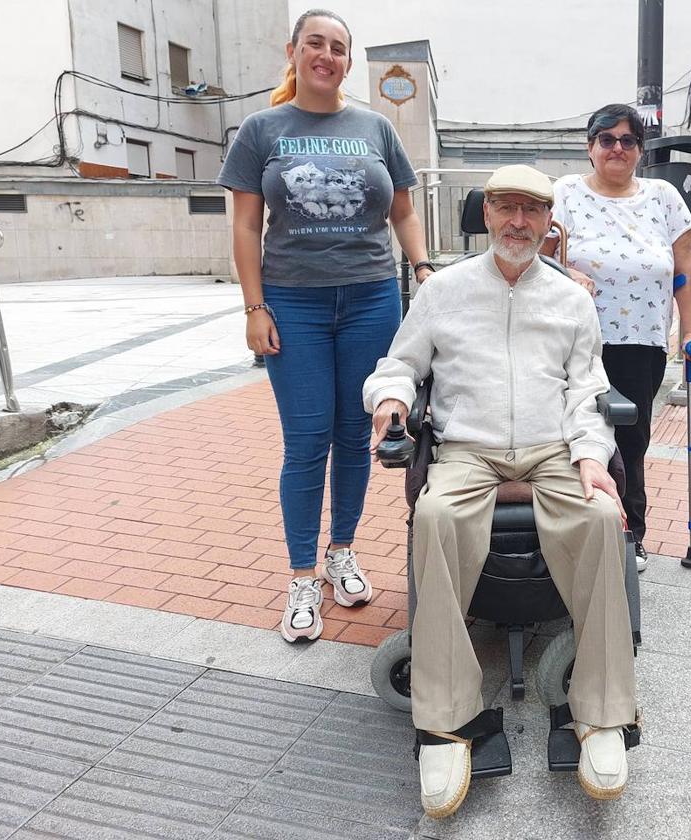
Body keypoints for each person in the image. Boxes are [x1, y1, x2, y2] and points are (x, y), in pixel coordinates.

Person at [363, 165, 638, 817]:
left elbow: (587, 388)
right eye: (506, 208)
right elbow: (400, 363)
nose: (519, 222)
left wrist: (593, 455)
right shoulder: (444, 290)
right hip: (470, 449)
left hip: (552, 449)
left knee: (601, 516)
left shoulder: (571, 298)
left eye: (532, 211)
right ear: (486, 214)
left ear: (549, 223)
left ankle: (601, 716)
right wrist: (393, 399)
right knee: (433, 514)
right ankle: (446, 720)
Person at [218, 8, 434, 643]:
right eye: (316, 43)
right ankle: (302, 576)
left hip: (371, 298)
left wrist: (422, 269)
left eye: (339, 48)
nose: (328, 55)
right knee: (307, 440)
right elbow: (244, 226)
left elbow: (402, 210)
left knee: (357, 431)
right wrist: (255, 307)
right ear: (294, 51)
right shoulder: (262, 130)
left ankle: (342, 550)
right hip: (295, 304)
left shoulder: (374, 126)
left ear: (347, 60)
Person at [543, 103, 691, 572]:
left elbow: (683, 273)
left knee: (631, 438)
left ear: (640, 148)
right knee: (571, 432)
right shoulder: (566, 194)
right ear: (590, 147)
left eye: (627, 140)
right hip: (574, 339)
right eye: (606, 139)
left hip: (641, 340)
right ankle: (573, 526)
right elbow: (538, 261)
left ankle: (630, 531)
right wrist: (567, 270)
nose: (617, 148)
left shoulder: (663, 197)